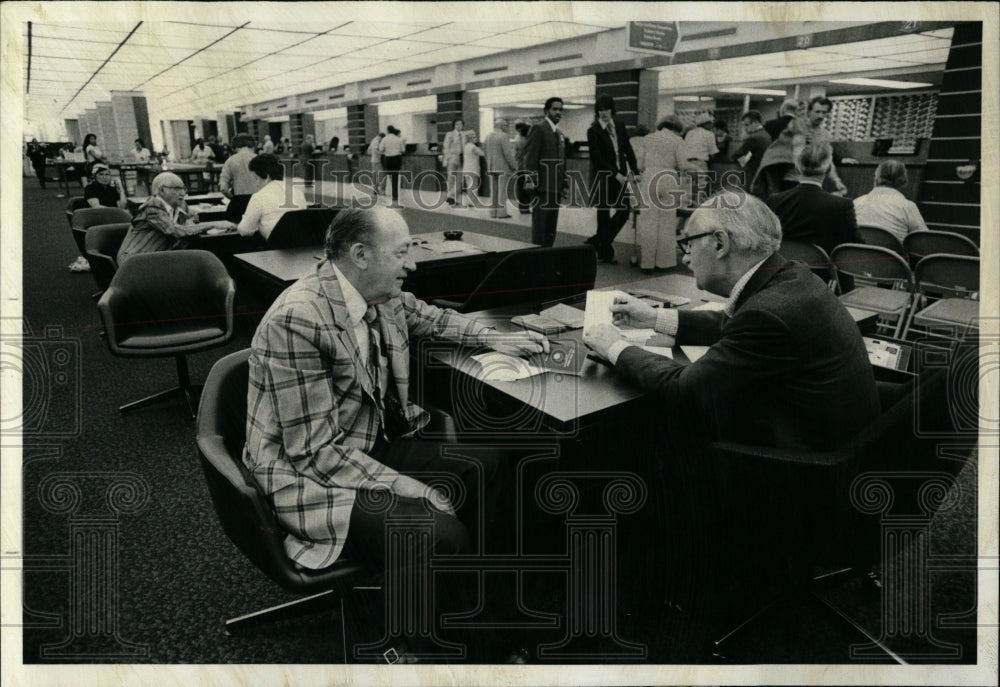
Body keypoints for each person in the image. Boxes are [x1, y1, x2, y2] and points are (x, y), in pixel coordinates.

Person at [244, 206, 547, 660]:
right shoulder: (299, 318)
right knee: (436, 533)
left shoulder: (376, 292)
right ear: (361, 254)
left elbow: (433, 318)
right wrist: (411, 488)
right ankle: (435, 651)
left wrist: (494, 339)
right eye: (402, 252)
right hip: (306, 475)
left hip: (364, 443)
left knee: (489, 467)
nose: (413, 264)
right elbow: (314, 454)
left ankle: (486, 618)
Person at [583, 189, 879, 451]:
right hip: (828, 439)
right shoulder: (792, 277)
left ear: (720, 244)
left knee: (656, 427)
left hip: (792, 465)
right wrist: (653, 317)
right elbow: (734, 326)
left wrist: (615, 347)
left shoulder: (769, 314)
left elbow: (683, 389)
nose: (686, 258)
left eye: (688, 243)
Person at [765, 143, 862, 255]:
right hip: (823, 271)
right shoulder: (842, 205)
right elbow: (856, 245)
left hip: (785, 267)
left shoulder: (774, 200)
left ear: (797, 167)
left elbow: (768, 240)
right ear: (829, 168)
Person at [634, 115, 693, 272]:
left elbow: (639, 165)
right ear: (676, 129)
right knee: (667, 223)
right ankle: (664, 263)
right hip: (669, 178)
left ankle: (647, 264)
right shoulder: (678, 141)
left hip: (649, 177)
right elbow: (683, 165)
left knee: (648, 222)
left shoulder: (647, 138)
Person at [585, 94, 638, 264]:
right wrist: (616, 174)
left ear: (612, 110)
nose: (603, 113)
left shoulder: (620, 126)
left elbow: (627, 150)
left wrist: (635, 170)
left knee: (623, 212)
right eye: (600, 110)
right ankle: (604, 253)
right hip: (603, 176)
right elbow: (597, 157)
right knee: (603, 214)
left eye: (606, 109)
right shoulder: (593, 130)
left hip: (621, 175)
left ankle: (598, 241)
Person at [117, 172, 205, 265]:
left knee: (195, 244)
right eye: (177, 189)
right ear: (162, 190)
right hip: (134, 260)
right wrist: (210, 226)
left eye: (183, 189)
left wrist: (190, 221)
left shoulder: (178, 204)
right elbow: (172, 230)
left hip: (158, 257)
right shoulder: (152, 206)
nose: (183, 193)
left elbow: (193, 216)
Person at [522, 97, 567, 246]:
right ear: (546, 111)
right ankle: (536, 261)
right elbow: (531, 157)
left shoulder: (559, 134)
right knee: (540, 228)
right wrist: (530, 180)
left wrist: (564, 183)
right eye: (554, 109)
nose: (558, 112)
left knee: (551, 229)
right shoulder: (539, 128)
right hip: (542, 187)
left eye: (560, 109)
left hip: (555, 188)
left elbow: (562, 161)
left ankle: (547, 260)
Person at [853, 160, 928, 243]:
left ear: (876, 178)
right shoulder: (908, 207)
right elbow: (924, 241)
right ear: (902, 181)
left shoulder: (856, 203)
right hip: (893, 255)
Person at [236, 154, 308, 240]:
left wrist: (257, 225)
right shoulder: (298, 192)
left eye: (256, 179)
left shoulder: (258, 197)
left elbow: (244, 231)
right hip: (301, 245)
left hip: (275, 248)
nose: (255, 184)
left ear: (267, 176)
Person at [799, 96, 849, 195]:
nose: (820, 116)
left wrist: (837, 181)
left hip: (814, 180)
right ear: (809, 112)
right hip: (792, 178)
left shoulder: (825, 135)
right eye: (817, 112)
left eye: (824, 112)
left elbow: (828, 160)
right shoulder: (798, 129)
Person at [483, 118, 517, 219]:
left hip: (491, 167)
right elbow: (507, 154)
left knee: (493, 191)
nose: (506, 127)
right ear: (501, 126)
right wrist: (514, 166)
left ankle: (492, 213)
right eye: (505, 125)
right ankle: (502, 213)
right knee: (502, 191)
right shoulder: (504, 136)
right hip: (502, 167)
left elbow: (484, 152)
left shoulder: (488, 136)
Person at [731, 110, 772, 191]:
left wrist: (744, 163)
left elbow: (736, 155)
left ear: (755, 123)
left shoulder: (753, 138)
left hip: (751, 174)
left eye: (747, 125)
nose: (745, 128)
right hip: (764, 174)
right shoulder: (767, 135)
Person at [683, 112, 718, 206]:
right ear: (705, 123)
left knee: (689, 188)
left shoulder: (689, 133)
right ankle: (696, 209)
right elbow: (713, 154)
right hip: (700, 163)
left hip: (687, 163)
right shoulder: (709, 134)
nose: (712, 125)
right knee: (700, 188)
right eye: (710, 123)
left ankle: (687, 209)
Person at [219, 133, 266, 199]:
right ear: (253, 145)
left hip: (240, 200)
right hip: (259, 199)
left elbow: (223, 188)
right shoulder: (261, 159)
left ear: (234, 147)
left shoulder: (230, 161)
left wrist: (234, 200)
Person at [379, 125, 406, 206]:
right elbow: (403, 150)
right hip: (397, 159)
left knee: (389, 177)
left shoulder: (384, 139)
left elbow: (381, 149)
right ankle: (395, 197)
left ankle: (388, 193)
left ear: (387, 131)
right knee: (395, 178)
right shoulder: (399, 139)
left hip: (388, 160)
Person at [457, 130, 484, 208]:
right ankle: (473, 202)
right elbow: (482, 153)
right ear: (470, 138)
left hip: (466, 169)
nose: (476, 138)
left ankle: (468, 202)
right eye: (474, 136)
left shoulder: (466, 146)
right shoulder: (473, 147)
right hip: (473, 169)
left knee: (469, 186)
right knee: (474, 187)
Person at [442, 118, 465, 206]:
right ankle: (451, 198)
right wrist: (447, 157)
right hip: (453, 157)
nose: (459, 126)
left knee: (460, 179)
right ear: (454, 126)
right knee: (451, 178)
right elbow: (446, 146)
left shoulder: (464, 134)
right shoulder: (450, 134)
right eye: (457, 124)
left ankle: (452, 197)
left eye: (461, 124)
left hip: (461, 158)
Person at [512, 121, 532, 215]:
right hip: (526, 167)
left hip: (519, 167)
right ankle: (525, 208)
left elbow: (516, 154)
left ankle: (523, 208)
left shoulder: (518, 139)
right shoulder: (526, 141)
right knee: (526, 189)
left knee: (521, 188)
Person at [366, 132, 386, 196]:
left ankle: (375, 190)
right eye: (382, 139)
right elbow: (375, 151)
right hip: (377, 161)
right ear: (380, 137)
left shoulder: (373, 140)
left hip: (373, 161)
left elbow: (368, 150)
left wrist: (373, 154)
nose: (382, 141)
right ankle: (381, 191)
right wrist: (383, 153)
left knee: (375, 176)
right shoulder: (376, 141)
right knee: (382, 176)